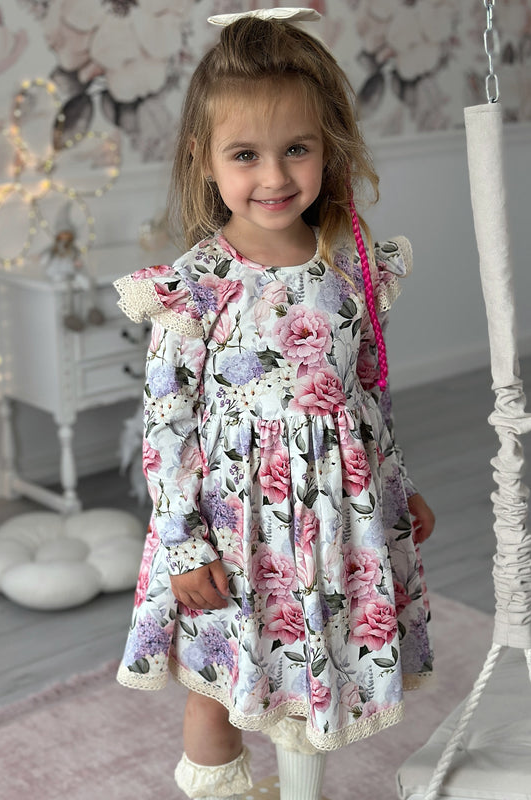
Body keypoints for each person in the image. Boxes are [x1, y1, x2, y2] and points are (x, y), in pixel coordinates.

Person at [114, 8, 435, 800]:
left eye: (297, 148)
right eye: (245, 155)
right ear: (204, 159)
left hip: (332, 517)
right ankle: (224, 792)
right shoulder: (196, 284)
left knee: (308, 670)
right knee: (216, 679)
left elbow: (366, 391)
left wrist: (399, 482)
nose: (274, 177)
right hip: (232, 520)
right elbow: (167, 422)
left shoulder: (352, 262)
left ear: (328, 145)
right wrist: (186, 546)